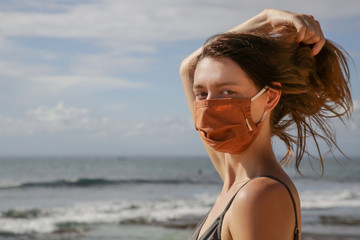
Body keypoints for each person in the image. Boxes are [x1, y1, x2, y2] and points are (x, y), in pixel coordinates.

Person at [179, 9, 352, 240]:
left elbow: (188, 67)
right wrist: (265, 19)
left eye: (227, 91)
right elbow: (187, 68)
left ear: (270, 97)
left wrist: (265, 22)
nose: (210, 105)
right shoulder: (237, 179)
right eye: (201, 93)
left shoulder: (258, 194)